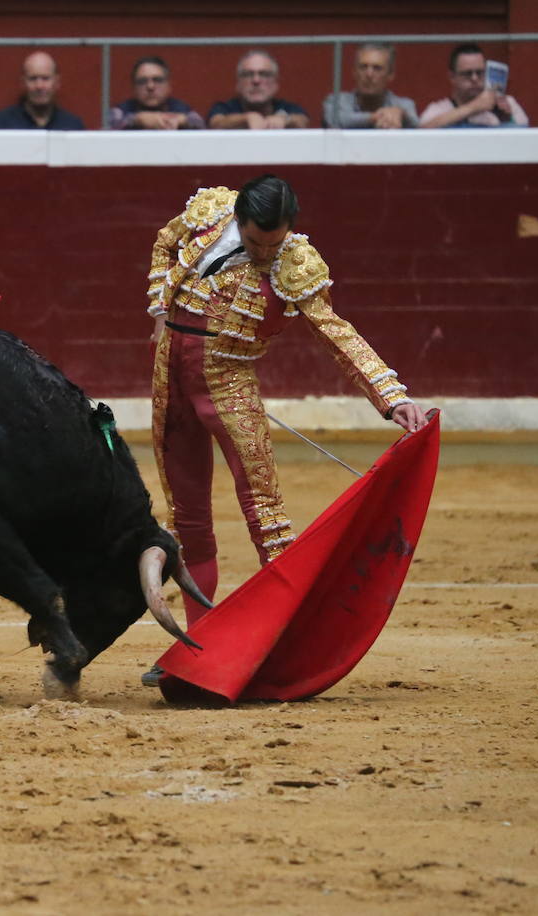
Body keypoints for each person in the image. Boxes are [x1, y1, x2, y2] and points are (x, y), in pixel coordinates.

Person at [141, 176, 424, 684]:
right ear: (238, 222)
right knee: (188, 519)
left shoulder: (296, 265)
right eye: (254, 243)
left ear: (291, 231)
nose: (264, 254)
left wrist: (392, 397)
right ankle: (201, 648)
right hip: (169, 383)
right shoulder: (209, 213)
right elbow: (165, 239)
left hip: (229, 388)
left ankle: (283, 645)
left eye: (274, 244)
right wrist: (160, 309)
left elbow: (336, 333)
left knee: (267, 519)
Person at [419, 43, 528, 128]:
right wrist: (474, 107)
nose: (474, 79)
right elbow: (422, 130)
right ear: (452, 77)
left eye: (480, 73)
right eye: (467, 74)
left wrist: (506, 120)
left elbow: (525, 139)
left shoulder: (508, 103)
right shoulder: (440, 109)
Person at [322, 43, 418, 129]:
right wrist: (375, 117)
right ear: (354, 72)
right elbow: (336, 121)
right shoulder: (336, 102)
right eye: (363, 67)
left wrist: (402, 114)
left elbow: (416, 125)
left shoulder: (404, 105)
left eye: (377, 68)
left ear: (390, 74)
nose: (369, 74)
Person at [207, 50, 308, 129]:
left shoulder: (287, 108)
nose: (256, 80)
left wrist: (285, 119)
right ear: (238, 84)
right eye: (248, 74)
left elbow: (302, 121)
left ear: (276, 84)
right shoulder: (225, 108)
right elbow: (216, 122)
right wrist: (246, 118)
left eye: (264, 74)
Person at [0, 51, 85, 130]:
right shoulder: (1, 124)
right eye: (33, 79)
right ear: (23, 83)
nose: (39, 86)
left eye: (45, 78)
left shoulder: (73, 126)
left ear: (57, 82)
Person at [108, 56, 204, 130]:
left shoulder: (180, 108)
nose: (150, 86)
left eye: (157, 80)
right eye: (142, 81)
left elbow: (201, 124)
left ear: (169, 86)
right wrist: (138, 119)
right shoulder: (122, 110)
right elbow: (108, 125)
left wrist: (182, 120)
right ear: (134, 88)